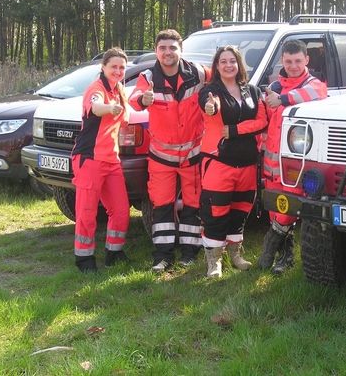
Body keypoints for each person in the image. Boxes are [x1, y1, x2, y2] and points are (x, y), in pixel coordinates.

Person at [130, 29, 211, 272]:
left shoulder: (198, 73)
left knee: (193, 205)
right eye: (163, 48)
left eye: (172, 48)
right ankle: (162, 257)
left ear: (180, 50)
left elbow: (226, 75)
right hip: (162, 157)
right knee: (161, 206)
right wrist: (143, 100)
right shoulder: (148, 77)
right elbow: (134, 99)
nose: (168, 52)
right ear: (156, 51)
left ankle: (190, 252)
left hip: (192, 155)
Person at [258, 40, 328, 275]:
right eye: (288, 61)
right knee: (274, 211)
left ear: (307, 60)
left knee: (288, 210)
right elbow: (266, 118)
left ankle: (271, 242)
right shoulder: (275, 85)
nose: (294, 66)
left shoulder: (313, 85)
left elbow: (312, 93)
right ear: (282, 61)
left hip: (296, 165)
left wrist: (282, 99)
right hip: (271, 163)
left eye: (298, 60)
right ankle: (284, 258)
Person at [199, 46, 267, 278]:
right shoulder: (210, 91)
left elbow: (262, 121)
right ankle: (214, 261)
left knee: (240, 210)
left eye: (232, 61)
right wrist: (211, 108)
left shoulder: (252, 91)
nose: (228, 65)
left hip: (247, 162)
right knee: (215, 212)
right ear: (216, 66)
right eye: (223, 61)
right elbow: (210, 106)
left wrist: (235, 130)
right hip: (219, 161)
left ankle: (235, 254)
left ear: (239, 64)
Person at [71, 47, 130, 273]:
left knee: (121, 210)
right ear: (103, 68)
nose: (117, 71)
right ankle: (84, 259)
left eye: (121, 67)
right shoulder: (96, 89)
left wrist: (145, 100)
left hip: (111, 160)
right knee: (87, 212)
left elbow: (129, 115)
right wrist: (109, 108)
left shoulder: (120, 90)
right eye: (113, 66)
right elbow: (96, 107)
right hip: (90, 159)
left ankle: (114, 253)